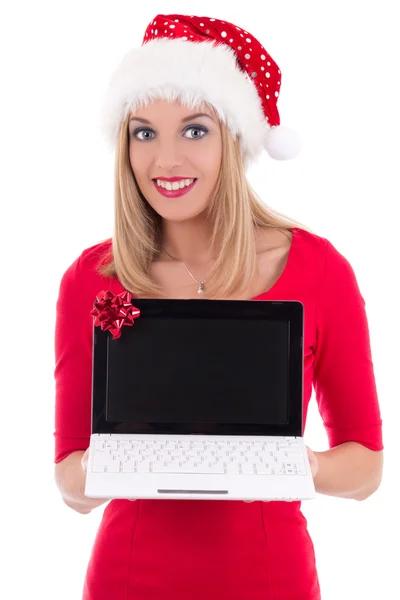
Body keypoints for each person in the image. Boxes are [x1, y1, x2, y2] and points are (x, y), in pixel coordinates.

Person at [53, 13, 384, 600]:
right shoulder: (90, 278)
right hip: (129, 580)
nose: (166, 161)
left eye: (195, 130)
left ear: (234, 138)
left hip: (271, 578)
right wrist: (114, 465)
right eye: (144, 132)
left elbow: (365, 469)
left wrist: (290, 464)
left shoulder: (319, 270)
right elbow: (72, 485)